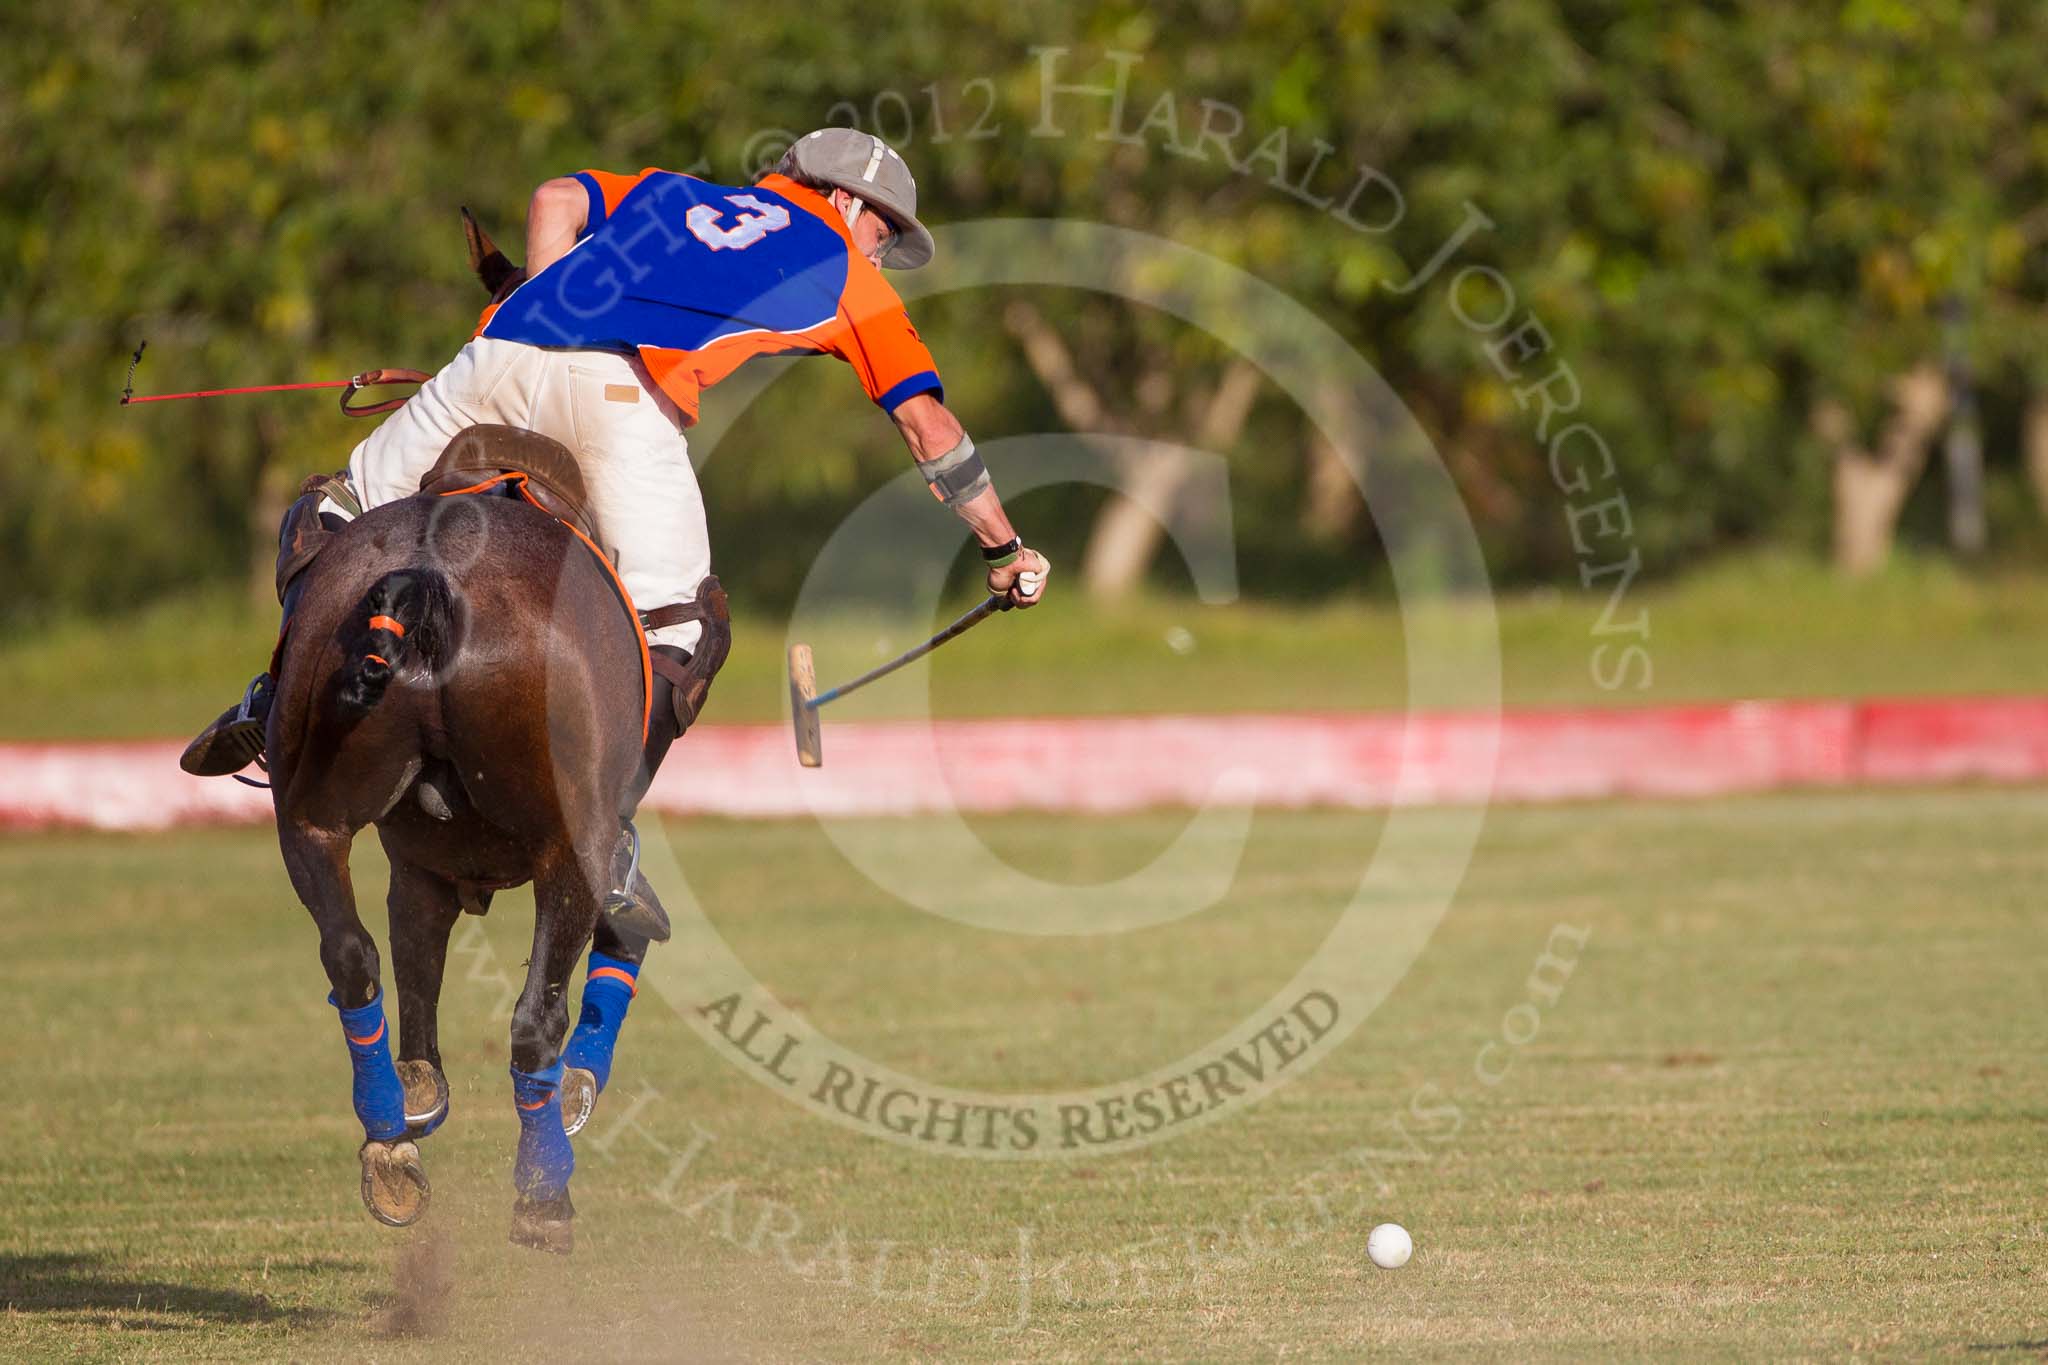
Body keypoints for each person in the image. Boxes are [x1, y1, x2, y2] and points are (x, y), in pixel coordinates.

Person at [181, 128, 1050, 802]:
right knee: (678, 628)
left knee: (336, 508)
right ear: (843, 200)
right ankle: (608, 831)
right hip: (622, 397)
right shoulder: (852, 282)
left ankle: (276, 696)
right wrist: (1003, 549)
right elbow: (928, 425)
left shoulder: (676, 191)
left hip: (500, 352)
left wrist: (545, 304)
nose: (880, 252)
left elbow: (557, 194)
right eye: (882, 230)